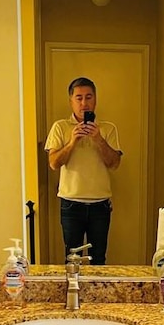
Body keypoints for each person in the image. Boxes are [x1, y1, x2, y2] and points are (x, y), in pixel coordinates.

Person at [44, 77, 122, 265]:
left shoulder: (108, 128)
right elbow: (54, 163)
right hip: (71, 205)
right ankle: (74, 295)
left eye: (89, 97)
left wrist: (98, 139)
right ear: (71, 101)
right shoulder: (60, 127)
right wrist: (72, 142)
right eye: (79, 98)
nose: (84, 103)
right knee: (72, 260)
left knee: (99, 259)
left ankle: (98, 295)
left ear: (95, 99)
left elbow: (114, 163)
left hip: (100, 205)